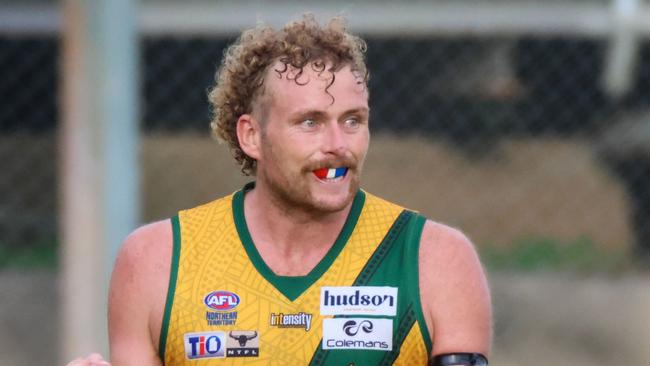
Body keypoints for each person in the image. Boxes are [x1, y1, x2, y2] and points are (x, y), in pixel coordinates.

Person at [68, 14, 491, 366]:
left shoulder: (434, 260)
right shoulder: (157, 260)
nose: (338, 145)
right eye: (309, 122)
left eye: (352, 120)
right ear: (251, 136)